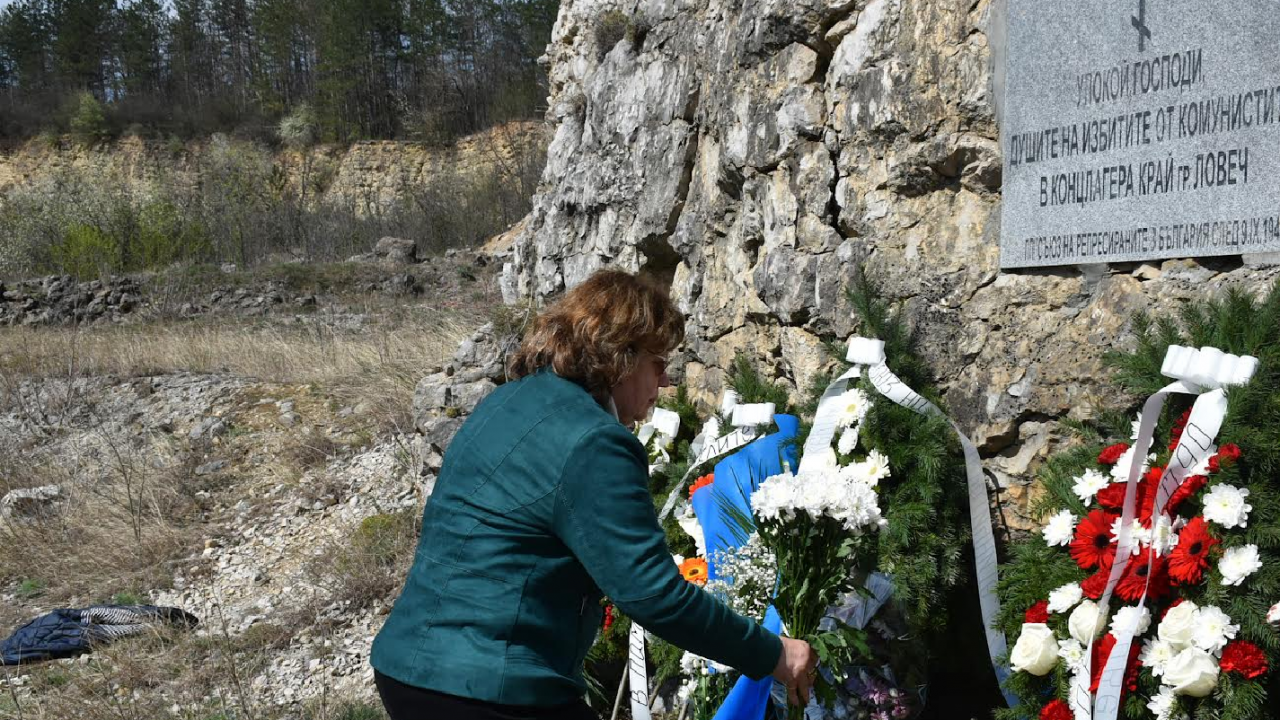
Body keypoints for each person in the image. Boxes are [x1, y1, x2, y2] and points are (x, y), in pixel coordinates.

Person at [370, 269, 816, 719]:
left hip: (409, 668)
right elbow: (652, 594)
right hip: (489, 685)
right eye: (658, 363)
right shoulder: (594, 441)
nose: (664, 382)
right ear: (620, 356)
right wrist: (774, 654)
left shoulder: (506, 402)